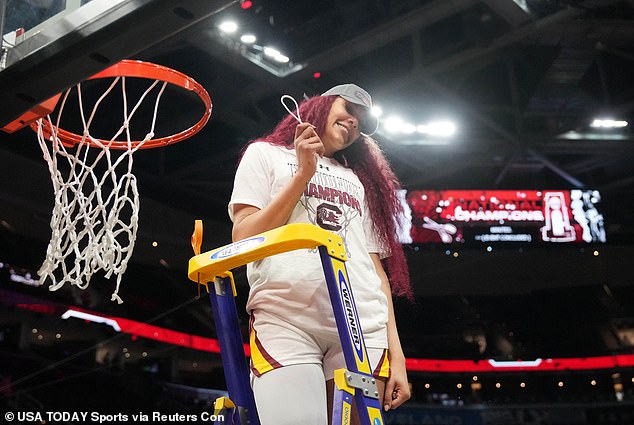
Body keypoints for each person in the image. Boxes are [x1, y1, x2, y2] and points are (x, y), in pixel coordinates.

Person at [228, 84, 412, 425]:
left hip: (362, 328)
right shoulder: (264, 154)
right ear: (322, 104)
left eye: (361, 121)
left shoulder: (358, 180)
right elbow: (243, 238)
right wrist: (303, 174)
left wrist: (397, 356)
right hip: (287, 317)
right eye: (349, 109)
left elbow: (376, 271)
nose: (354, 122)